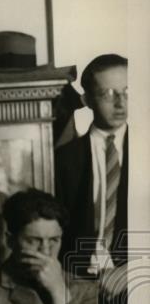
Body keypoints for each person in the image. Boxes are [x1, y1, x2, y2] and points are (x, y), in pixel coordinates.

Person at [55, 54, 128, 275]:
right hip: (80, 281)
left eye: (127, 91)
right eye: (108, 94)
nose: (120, 103)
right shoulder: (64, 159)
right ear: (87, 101)